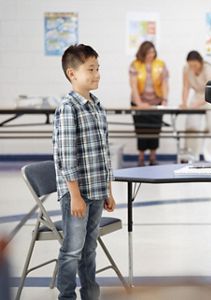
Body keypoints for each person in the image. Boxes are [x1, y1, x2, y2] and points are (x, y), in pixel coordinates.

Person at [53, 44, 116, 300]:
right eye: (90, 69)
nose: (97, 74)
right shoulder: (69, 107)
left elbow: (103, 153)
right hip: (77, 194)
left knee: (89, 249)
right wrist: (75, 195)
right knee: (72, 250)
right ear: (72, 73)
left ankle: (90, 294)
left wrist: (108, 191)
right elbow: (67, 156)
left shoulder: (97, 105)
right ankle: (66, 296)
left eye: (98, 68)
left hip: (97, 189)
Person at [129, 41, 169, 166]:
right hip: (139, 102)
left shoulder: (161, 64)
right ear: (142, 53)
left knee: (155, 130)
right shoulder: (135, 64)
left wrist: (165, 99)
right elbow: (133, 86)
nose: (151, 55)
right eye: (148, 52)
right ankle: (141, 158)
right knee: (141, 130)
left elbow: (165, 83)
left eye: (152, 52)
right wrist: (139, 103)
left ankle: (152, 158)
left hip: (156, 102)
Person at [180, 50, 211, 162]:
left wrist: (195, 105)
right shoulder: (186, 69)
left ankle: (210, 158)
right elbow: (186, 87)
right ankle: (191, 156)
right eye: (190, 65)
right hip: (197, 95)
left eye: (195, 65)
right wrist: (184, 102)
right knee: (191, 127)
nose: (193, 68)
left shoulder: (208, 69)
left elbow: (209, 91)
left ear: (200, 62)